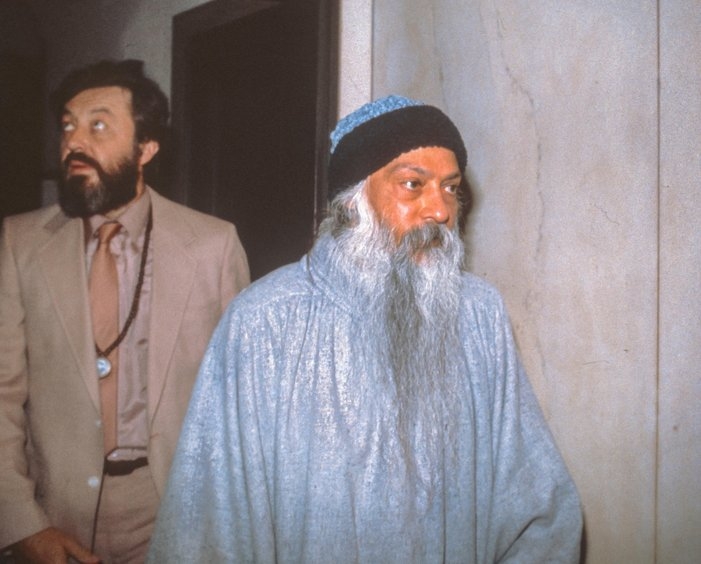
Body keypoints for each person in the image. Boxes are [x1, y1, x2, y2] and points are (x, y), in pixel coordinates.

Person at [148, 95, 582, 563]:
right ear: (353, 202)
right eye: (413, 185)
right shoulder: (263, 323)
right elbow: (207, 530)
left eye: (451, 188)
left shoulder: (478, 314)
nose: (441, 210)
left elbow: (540, 511)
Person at [0, 59, 250, 563]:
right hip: (55, 513)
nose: (73, 142)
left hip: (174, 511)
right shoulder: (19, 242)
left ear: (146, 148)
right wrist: (23, 523)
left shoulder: (213, 245)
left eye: (98, 125)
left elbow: (242, 400)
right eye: (67, 126)